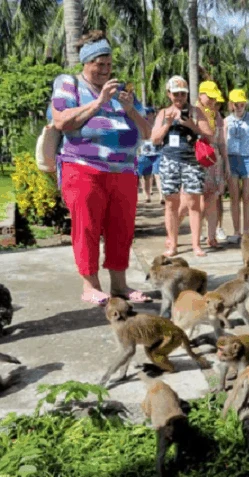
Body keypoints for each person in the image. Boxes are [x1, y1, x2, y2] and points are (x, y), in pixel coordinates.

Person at [50, 30, 151, 306]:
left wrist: (130, 109)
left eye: (109, 65)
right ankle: (90, 286)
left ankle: (120, 286)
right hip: (83, 168)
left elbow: (149, 132)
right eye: (99, 65)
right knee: (87, 227)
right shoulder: (68, 84)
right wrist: (99, 103)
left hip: (124, 172)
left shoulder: (122, 91)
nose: (105, 70)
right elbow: (62, 122)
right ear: (86, 62)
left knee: (122, 229)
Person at [150, 75, 215, 257]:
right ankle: (173, 244)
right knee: (171, 203)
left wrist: (192, 125)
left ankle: (196, 245)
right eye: (176, 94)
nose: (179, 98)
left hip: (192, 161)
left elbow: (210, 136)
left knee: (194, 203)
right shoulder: (163, 113)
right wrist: (168, 124)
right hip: (170, 160)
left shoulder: (196, 112)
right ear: (169, 94)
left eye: (183, 95)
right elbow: (155, 139)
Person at [223, 89, 249, 243]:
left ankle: (246, 231)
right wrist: (226, 164)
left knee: (246, 196)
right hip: (232, 159)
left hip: (248, 159)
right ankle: (236, 231)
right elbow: (223, 144)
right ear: (231, 104)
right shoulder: (226, 121)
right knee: (234, 197)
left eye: (242, 103)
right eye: (236, 104)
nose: (239, 106)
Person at [195, 80, 229, 248]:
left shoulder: (216, 115)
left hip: (214, 158)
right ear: (201, 95)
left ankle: (211, 236)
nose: (213, 101)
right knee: (197, 200)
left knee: (214, 198)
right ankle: (196, 235)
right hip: (198, 157)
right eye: (210, 97)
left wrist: (226, 164)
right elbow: (206, 134)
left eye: (215, 98)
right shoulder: (194, 112)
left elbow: (221, 141)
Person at [137, 107, 163, 204]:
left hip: (157, 153)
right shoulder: (140, 125)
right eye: (146, 114)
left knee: (158, 175)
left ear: (153, 114)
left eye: (149, 113)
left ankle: (161, 197)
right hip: (144, 154)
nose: (147, 115)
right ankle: (147, 196)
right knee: (146, 177)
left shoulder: (158, 125)